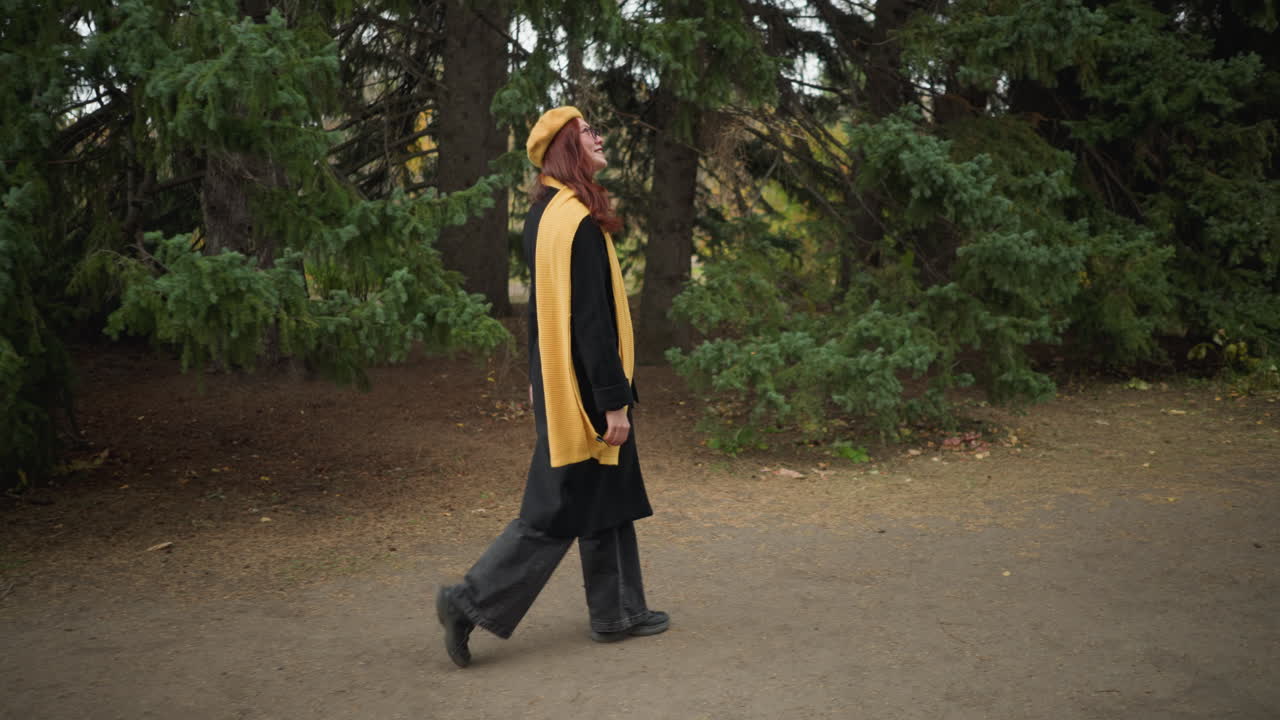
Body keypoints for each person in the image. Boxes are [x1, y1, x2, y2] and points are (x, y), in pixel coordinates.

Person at [434, 106, 668, 668]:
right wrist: (613, 402)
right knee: (555, 509)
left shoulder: (544, 218)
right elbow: (588, 320)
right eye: (589, 132)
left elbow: (545, 313)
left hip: (565, 384)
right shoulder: (578, 223)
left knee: (603, 498)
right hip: (588, 393)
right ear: (568, 146)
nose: (599, 136)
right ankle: (466, 602)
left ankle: (618, 612)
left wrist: (541, 380)